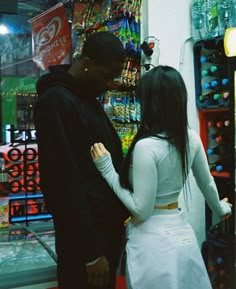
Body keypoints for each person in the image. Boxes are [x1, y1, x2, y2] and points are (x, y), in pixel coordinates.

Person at [90, 65, 232, 289]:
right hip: (181, 233)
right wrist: (221, 208)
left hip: (152, 242)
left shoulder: (147, 146)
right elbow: (207, 183)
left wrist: (107, 170)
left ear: (152, 102)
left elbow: (141, 210)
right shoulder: (190, 137)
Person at [33, 31, 130, 289]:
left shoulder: (85, 99)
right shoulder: (56, 101)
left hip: (102, 235)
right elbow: (62, 183)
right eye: (107, 75)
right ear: (87, 64)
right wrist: (91, 253)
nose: (111, 84)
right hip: (85, 246)